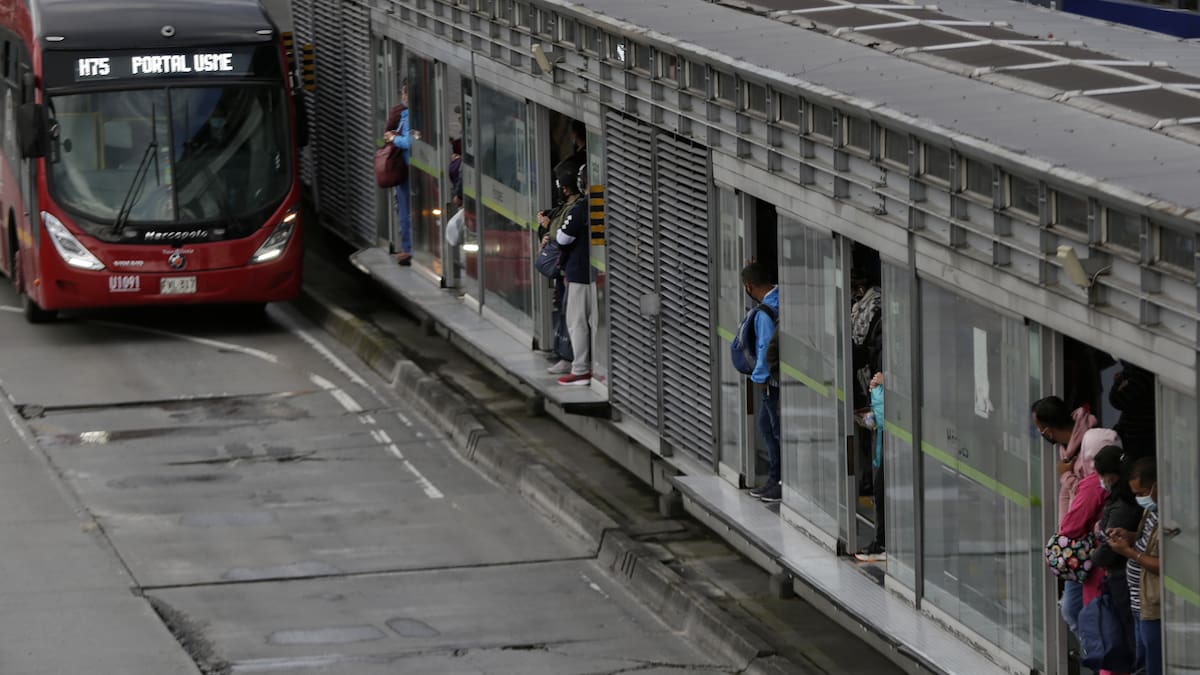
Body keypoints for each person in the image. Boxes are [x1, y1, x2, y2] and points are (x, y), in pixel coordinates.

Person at [1055, 428, 1120, 635]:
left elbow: (1071, 526)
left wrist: (1067, 478)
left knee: (1080, 612)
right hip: (1106, 559)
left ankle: (1094, 655)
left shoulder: (1093, 484)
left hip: (1092, 561)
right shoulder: (1116, 478)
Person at [1105, 458, 1161, 675]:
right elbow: (1146, 539)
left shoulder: (1171, 516)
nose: (1141, 499)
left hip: (1154, 607)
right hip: (1140, 604)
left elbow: (1165, 564)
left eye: (1143, 493)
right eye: (1136, 494)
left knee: (1153, 665)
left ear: (1158, 486)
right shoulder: (1151, 511)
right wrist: (1129, 536)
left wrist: (1130, 553)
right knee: (1141, 661)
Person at [1091, 445, 1142, 675]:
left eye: (1102, 475)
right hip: (1121, 576)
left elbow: (1109, 548)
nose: (1100, 480)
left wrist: (1095, 556)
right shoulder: (1119, 498)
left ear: (1112, 475)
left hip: (1122, 576)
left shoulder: (1123, 503)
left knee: (1128, 632)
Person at [549, 163, 594, 386]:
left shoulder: (580, 208)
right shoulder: (606, 205)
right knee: (597, 322)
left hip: (579, 274)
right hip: (599, 275)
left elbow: (563, 238)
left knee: (577, 322)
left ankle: (581, 369)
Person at [741, 262, 782, 504]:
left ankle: (779, 482)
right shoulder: (781, 298)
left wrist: (759, 378)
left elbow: (765, 347)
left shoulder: (764, 312)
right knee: (767, 428)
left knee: (774, 431)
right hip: (780, 379)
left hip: (772, 383)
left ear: (749, 286)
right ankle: (775, 479)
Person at [1031, 395, 1098, 523]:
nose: (1040, 433)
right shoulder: (1066, 450)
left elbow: (1092, 495)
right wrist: (1064, 533)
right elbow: (1066, 494)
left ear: (1049, 431)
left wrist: (1066, 475)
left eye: (1039, 428)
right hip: (1075, 530)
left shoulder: (1092, 444)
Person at [383, 83, 419, 266]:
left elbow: (409, 142)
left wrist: (393, 139)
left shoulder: (412, 116)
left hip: (407, 168)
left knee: (405, 210)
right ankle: (409, 247)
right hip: (406, 167)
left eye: (404, 92)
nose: (402, 96)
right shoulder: (407, 114)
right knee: (404, 208)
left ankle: (409, 249)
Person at [856, 371, 886, 561]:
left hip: (890, 437)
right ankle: (882, 541)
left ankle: (883, 543)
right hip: (883, 437)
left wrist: (881, 386)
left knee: (881, 489)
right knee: (879, 489)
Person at [1109, 361, 1155, 461]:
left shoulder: (1141, 376)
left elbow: (1116, 399)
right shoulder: (1139, 374)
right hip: (1139, 435)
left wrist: (1118, 380)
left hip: (1139, 438)